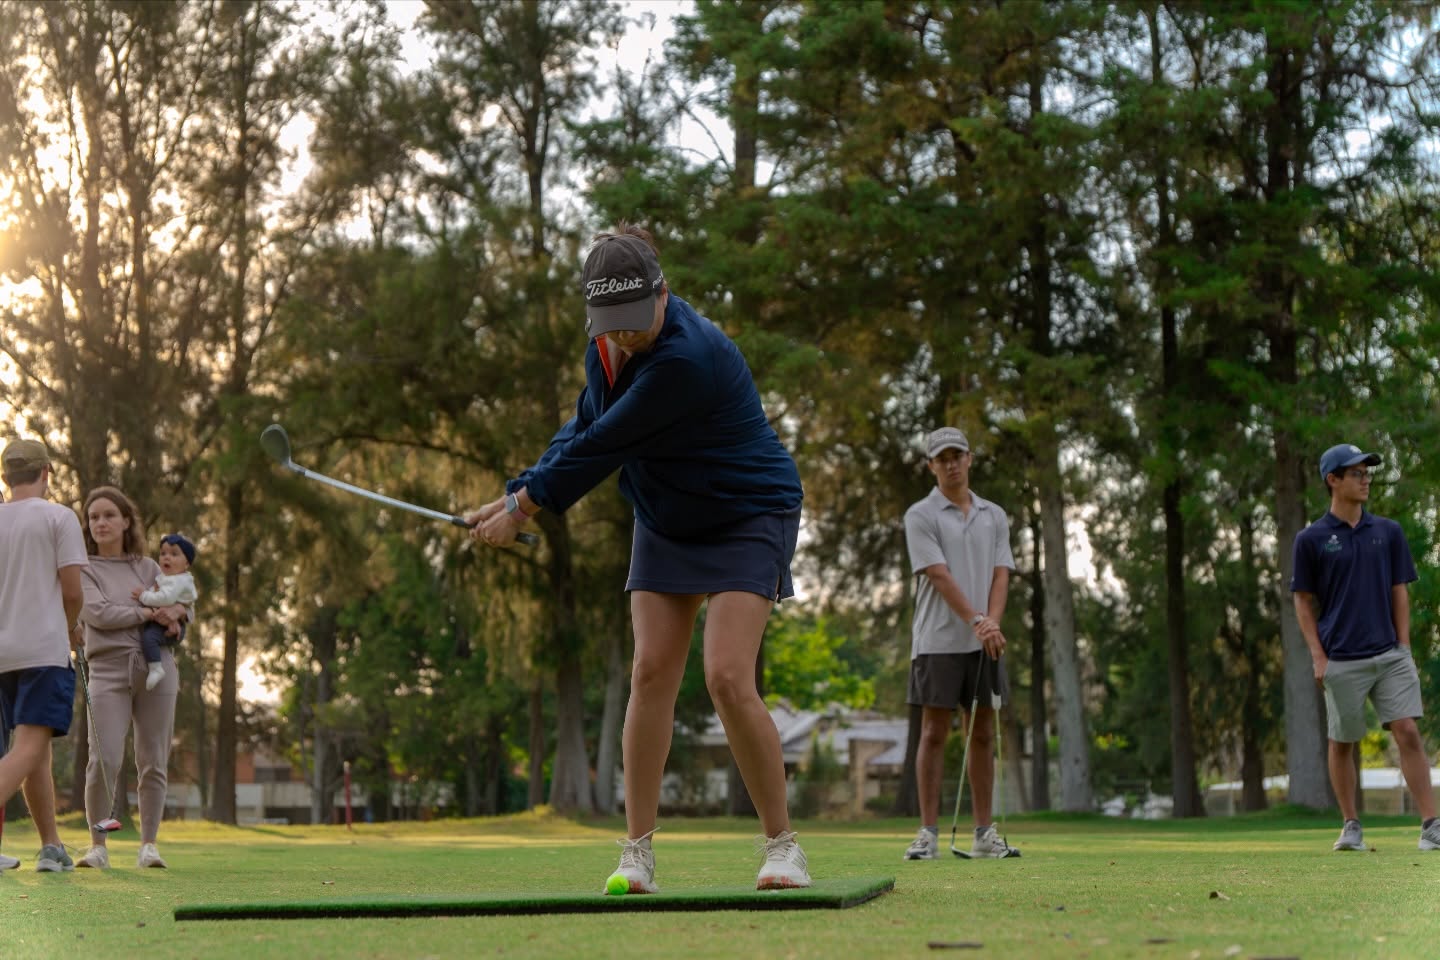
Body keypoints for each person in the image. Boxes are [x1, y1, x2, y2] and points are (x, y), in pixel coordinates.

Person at [467, 224, 811, 893]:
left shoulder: (689, 357)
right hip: (666, 515)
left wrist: (524, 508)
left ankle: (783, 847)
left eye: (634, 318)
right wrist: (515, 493)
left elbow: (607, 443)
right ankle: (637, 853)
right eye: (611, 323)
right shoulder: (606, 345)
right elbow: (584, 424)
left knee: (726, 675)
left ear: (664, 292)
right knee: (650, 671)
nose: (624, 335)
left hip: (746, 511)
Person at [1291, 443, 1439, 853]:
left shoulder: (1388, 532)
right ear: (1333, 480)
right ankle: (1351, 825)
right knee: (1343, 742)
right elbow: (1302, 600)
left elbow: (1399, 591)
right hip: (1341, 658)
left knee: (1407, 730)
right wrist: (1318, 656)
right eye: (1356, 473)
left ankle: (1431, 825)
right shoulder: (1311, 539)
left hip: (1390, 654)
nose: (1365, 479)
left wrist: (1404, 646)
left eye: (1367, 472)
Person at [902, 427, 1018, 861]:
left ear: (970, 459)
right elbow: (938, 574)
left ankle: (984, 834)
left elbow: (1001, 573)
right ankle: (928, 834)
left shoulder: (994, 515)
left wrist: (992, 624)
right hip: (937, 640)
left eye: (957, 455)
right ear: (931, 466)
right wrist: (978, 621)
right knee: (934, 732)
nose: (951, 464)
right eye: (942, 458)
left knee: (982, 734)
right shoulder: (921, 514)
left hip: (984, 640)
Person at [74, 487, 189, 870]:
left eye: (109, 515)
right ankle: (98, 846)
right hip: (107, 671)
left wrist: (178, 615)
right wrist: (147, 612)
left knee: (153, 760)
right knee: (103, 760)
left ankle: (149, 846)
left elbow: (180, 600)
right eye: (94, 517)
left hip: (158, 669)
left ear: (126, 521)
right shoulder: (84, 568)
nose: (101, 523)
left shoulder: (148, 567)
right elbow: (99, 613)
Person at [0, 439, 88, 872]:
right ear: (46, 473)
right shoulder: (59, 517)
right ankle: (51, 845)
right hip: (42, 650)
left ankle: (51, 846)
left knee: (35, 753)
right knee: (28, 749)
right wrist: (71, 627)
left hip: (2, 655)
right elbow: (72, 591)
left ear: (5, 476)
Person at [131, 533, 198, 692]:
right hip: (163, 621)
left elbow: (165, 598)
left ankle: (156, 668)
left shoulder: (179, 580)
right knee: (149, 635)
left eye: (174, 554)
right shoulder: (167, 577)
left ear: (186, 563)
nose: (167, 557)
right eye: (163, 553)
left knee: (149, 637)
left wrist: (143, 596)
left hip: (173, 628)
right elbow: (157, 592)